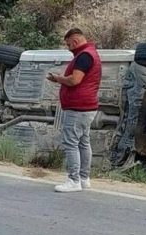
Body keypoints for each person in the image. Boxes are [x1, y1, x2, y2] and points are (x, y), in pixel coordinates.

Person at [47, 28, 102, 192]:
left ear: (75, 40)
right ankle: (84, 179)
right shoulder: (91, 53)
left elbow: (75, 80)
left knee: (71, 143)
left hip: (78, 107)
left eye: (68, 44)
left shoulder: (84, 56)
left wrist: (58, 79)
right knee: (84, 143)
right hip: (87, 106)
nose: (68, 47)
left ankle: (73, 180)